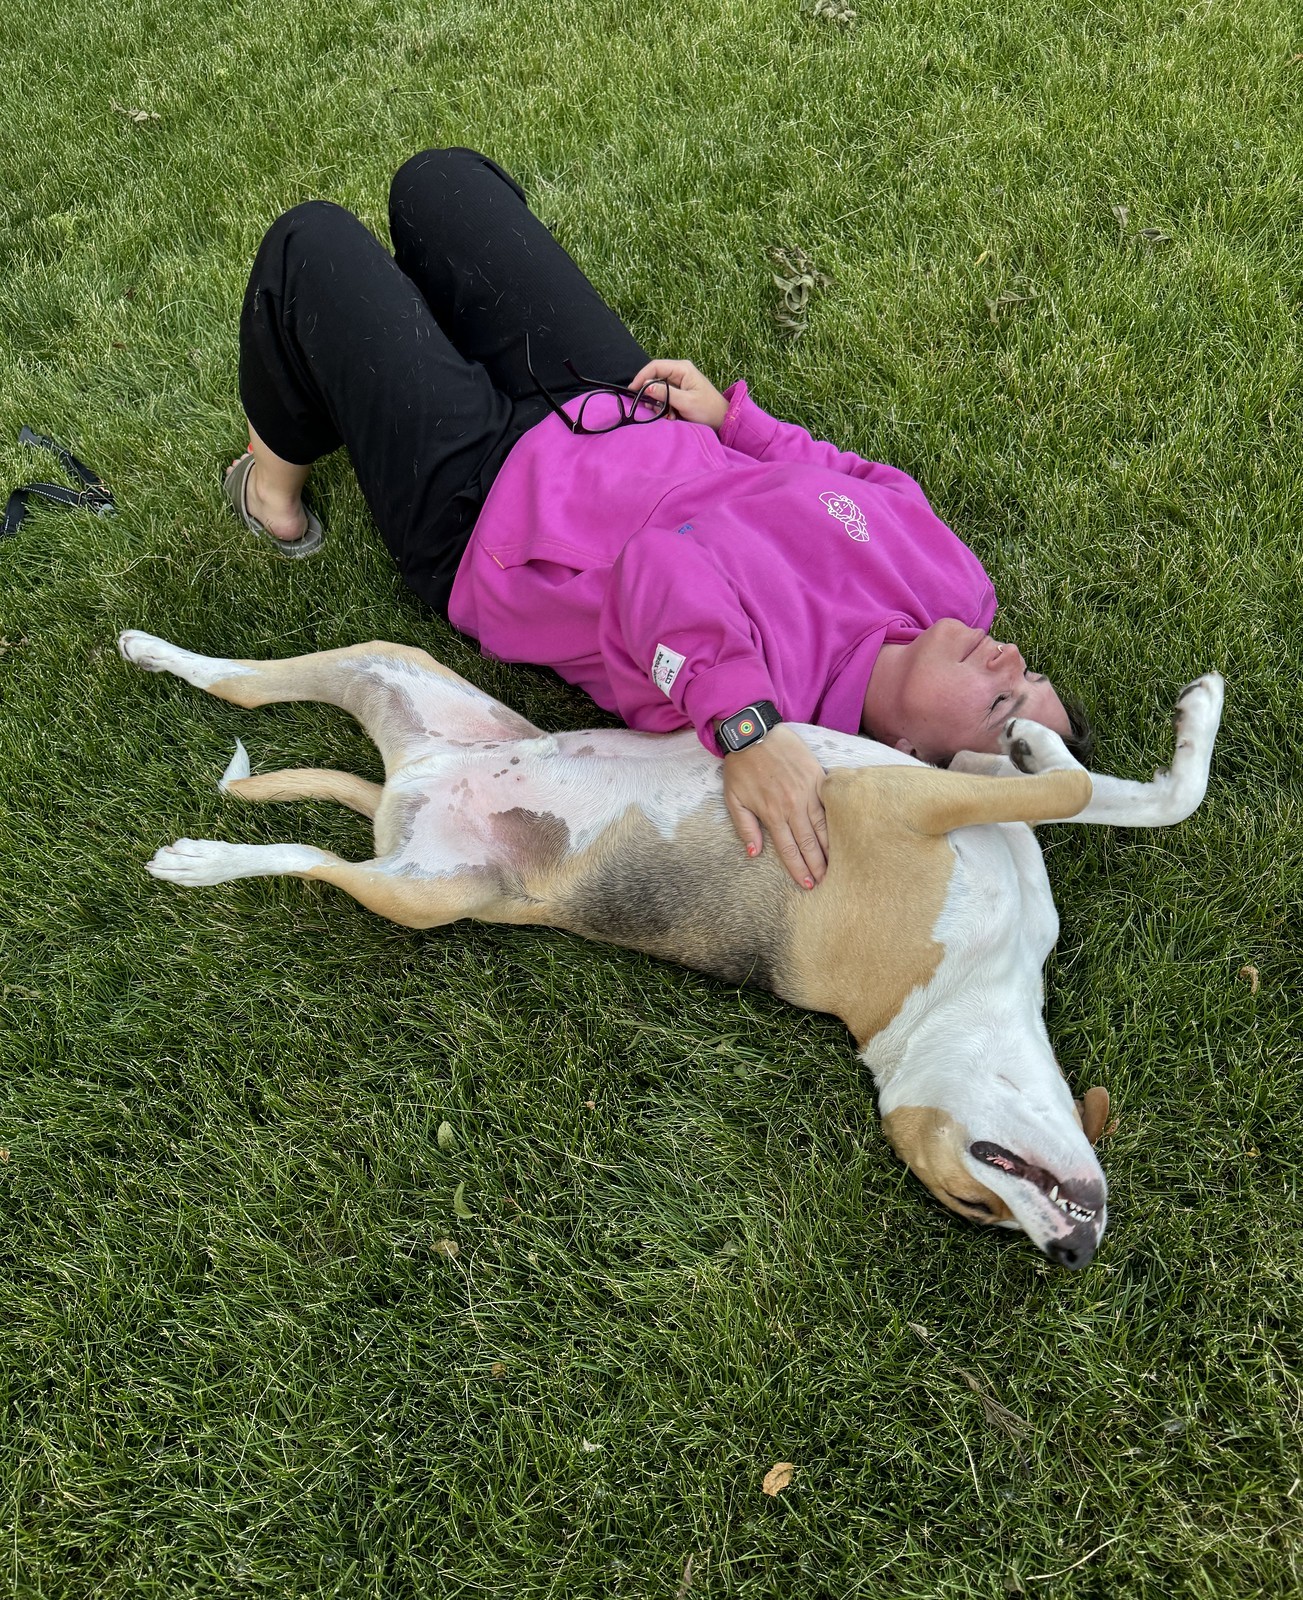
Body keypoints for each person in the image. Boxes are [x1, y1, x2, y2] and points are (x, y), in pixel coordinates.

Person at [231, 147, 1092, 892]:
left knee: (313, 244)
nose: (1008, 658)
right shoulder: (956, 590)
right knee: (441, 184)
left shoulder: (768, 704)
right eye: (1031, 674)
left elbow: (659, 567)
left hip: (488, 514)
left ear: (909, 752)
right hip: (618, 409)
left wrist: (746, 730)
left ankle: (269, 492)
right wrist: (734, 424)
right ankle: (417, 341)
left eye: (1001, 701)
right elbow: (861, 480)